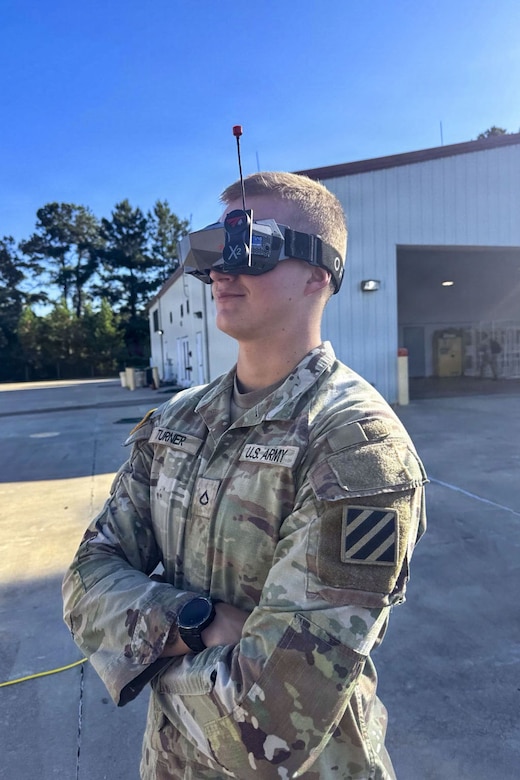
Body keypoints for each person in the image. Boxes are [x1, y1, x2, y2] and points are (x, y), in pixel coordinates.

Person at [63, 171, 427, 780]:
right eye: (211, 252)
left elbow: (268, 729)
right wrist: (196, 622)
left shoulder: (357, 449)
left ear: (319, 273)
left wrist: (138, 647)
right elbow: (83, 583)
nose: (219, 273)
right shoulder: (176, 421)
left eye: (248, 246)